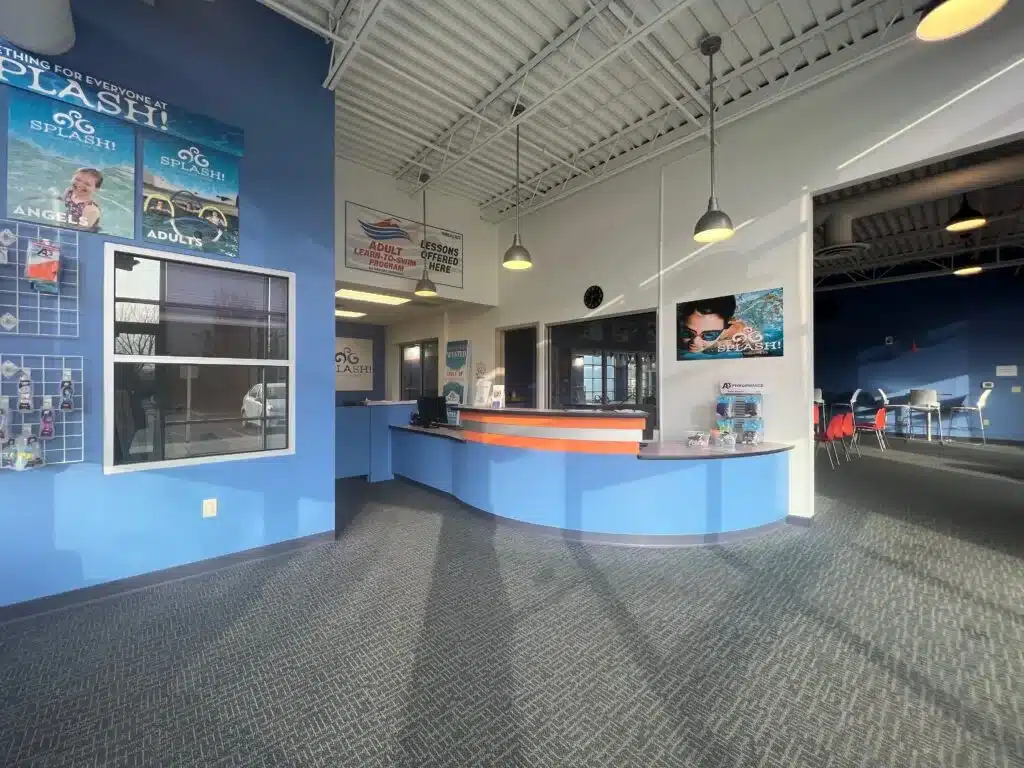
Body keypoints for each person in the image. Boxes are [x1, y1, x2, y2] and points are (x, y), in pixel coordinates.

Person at [677, 295, 757, 355]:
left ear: (726, 326)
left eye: (709, 335)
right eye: (687, 332)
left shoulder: (742, 335)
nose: (695, 342)